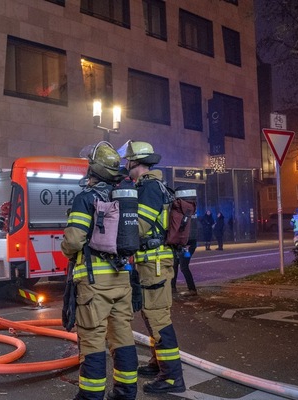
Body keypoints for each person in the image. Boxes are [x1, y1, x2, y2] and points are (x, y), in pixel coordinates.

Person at [61, 141, 137, 400]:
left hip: (95, 283)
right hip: (123, 278)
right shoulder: (123, 198)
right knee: (123, 336)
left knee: (93, 341)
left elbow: (73, 241)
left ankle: (90, 397)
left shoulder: (86, 198)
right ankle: (126, 393)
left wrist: (69, 252)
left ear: (92, 169)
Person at [118, 140, 186, 394]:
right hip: (154, 262)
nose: (126, 165)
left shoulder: (148, 189)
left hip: (155, 263)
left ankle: (172, 377)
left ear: (135, 162)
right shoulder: (153, 186)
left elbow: (140, 227)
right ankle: (159, 362)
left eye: (128, 161)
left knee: (158, 316)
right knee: (150, 312)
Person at [172, 206, 198, 297]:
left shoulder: (187, 214)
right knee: (175, 264)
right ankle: (172, 287)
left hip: (186, 244)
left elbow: (186, 230)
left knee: (183, 266)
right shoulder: (190, 212)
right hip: (185, 243)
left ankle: (192, 289)